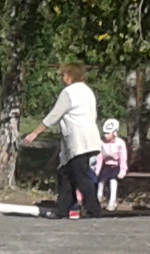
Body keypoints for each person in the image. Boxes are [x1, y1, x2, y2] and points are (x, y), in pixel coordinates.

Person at [22, 64, 103, 219]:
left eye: (64, 74)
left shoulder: (69, 93)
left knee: (81, 176)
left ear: (70, 75)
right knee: (66, 174)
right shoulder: (87, 91)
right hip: (89, 138)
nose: (62, 78)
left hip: (78, 141)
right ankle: (62, 209)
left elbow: (54, 115)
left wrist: (35, 133)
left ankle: (94, 210)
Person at [96, 118, 128, 213]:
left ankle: (112, 200)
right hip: (106, 165)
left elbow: (123, 158)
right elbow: (100, 157)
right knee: (101, 180)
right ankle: (98, 198)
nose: (105, 135)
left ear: (114, 133)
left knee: (113, 180)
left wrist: (123, 170)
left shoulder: (120, 143)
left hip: (115, 166)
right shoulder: (102, 143)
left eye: (108, 133)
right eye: (104, 133)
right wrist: (97, 169)